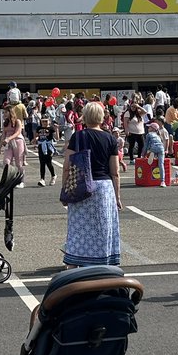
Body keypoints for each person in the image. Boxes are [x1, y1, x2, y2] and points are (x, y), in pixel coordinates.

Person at [61, 100, 122, 268]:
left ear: (85, 117)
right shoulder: (110, 139)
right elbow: (115, 172)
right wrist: (117, 197)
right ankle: (104, 262)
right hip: (104, 188)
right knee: (103, 227)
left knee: (78, 228)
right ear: (101, 117)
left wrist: (65, 189)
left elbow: (67, 167)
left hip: (81, 185)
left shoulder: (78, 136)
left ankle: (74, 263)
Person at [0, 107, 27, 187]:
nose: (4, 114)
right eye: (4, 112)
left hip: (18, 141)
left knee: (18, 163)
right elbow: (3, 135)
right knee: (6, 161)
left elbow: (18, 132)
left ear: (10, 112)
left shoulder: (18, 121)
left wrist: (9, 138)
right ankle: (9, 179)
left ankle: (21, 181)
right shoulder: (5, 123)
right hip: (8, 144)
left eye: (6, 112)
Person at [33, 115, 59, 185]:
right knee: (42, 163)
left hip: (48, 146)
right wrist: (35, 140)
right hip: (41, 146)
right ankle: (42, 179)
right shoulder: (39, 128)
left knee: (48, 162)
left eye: (46, 121)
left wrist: (56, 129)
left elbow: (57, 138)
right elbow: (37, 136)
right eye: (43, 121)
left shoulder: (51, 128)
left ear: (49, 121)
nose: (44, 123)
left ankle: (53, 175)